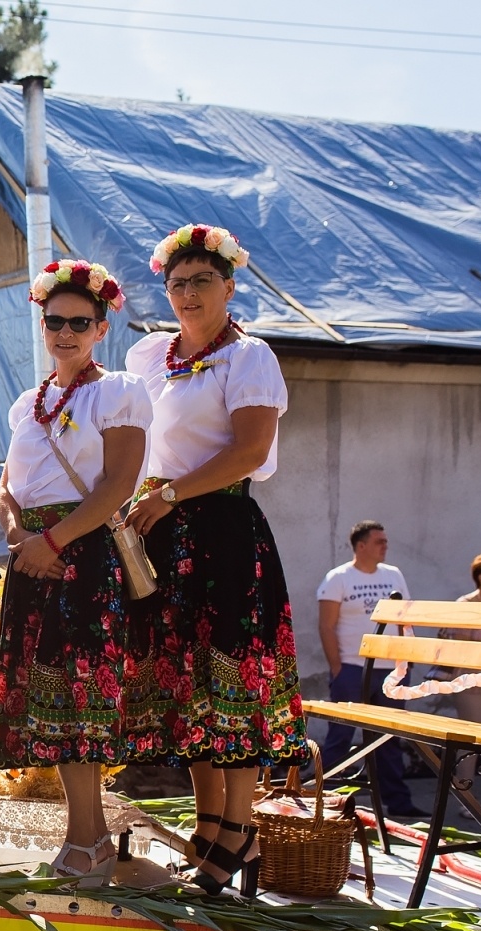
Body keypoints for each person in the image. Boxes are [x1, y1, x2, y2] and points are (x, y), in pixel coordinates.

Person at [125, 225, 305, 894]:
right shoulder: (150, 356)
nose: (188, 293)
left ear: (230, 287)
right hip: (165, 529)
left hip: (224, 528)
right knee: (189, 687)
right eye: (177, 283)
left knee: (230, 683)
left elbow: (250, 451)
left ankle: (239, 829)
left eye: (202, 280)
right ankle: (211, 828)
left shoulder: (249, 357)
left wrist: (170, 492)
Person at [0, 261, 153, 887]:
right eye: (54, 321)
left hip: (80, 554)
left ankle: (89, 840)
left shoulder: (118, 391)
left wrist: (52, 539)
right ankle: (81, 835)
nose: (64, 332)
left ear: (101, 327)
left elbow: (120, 483)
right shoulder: (26, 403)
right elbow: (8, 483)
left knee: (84, 698)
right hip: (33, 553)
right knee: (53, 701)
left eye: (78, 323)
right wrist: (15, 535)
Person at [315, 521, 423, 817]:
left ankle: (398, 802)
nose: (385, 546)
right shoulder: (338, 578)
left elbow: (405, 618)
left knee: (389, 737)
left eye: (385, 541)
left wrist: (407, 658)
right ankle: (324, 799)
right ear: (361, 546)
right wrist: (337, 667)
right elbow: (326, 625)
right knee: (341, 736)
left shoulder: (393, 575)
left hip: (393, 670)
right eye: (379, 541)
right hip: (352, 667)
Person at [437, 554, 481, 808]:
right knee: (470, 739)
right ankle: (466, 801)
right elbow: (458, 649)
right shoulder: (467, 604)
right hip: (471, 680)